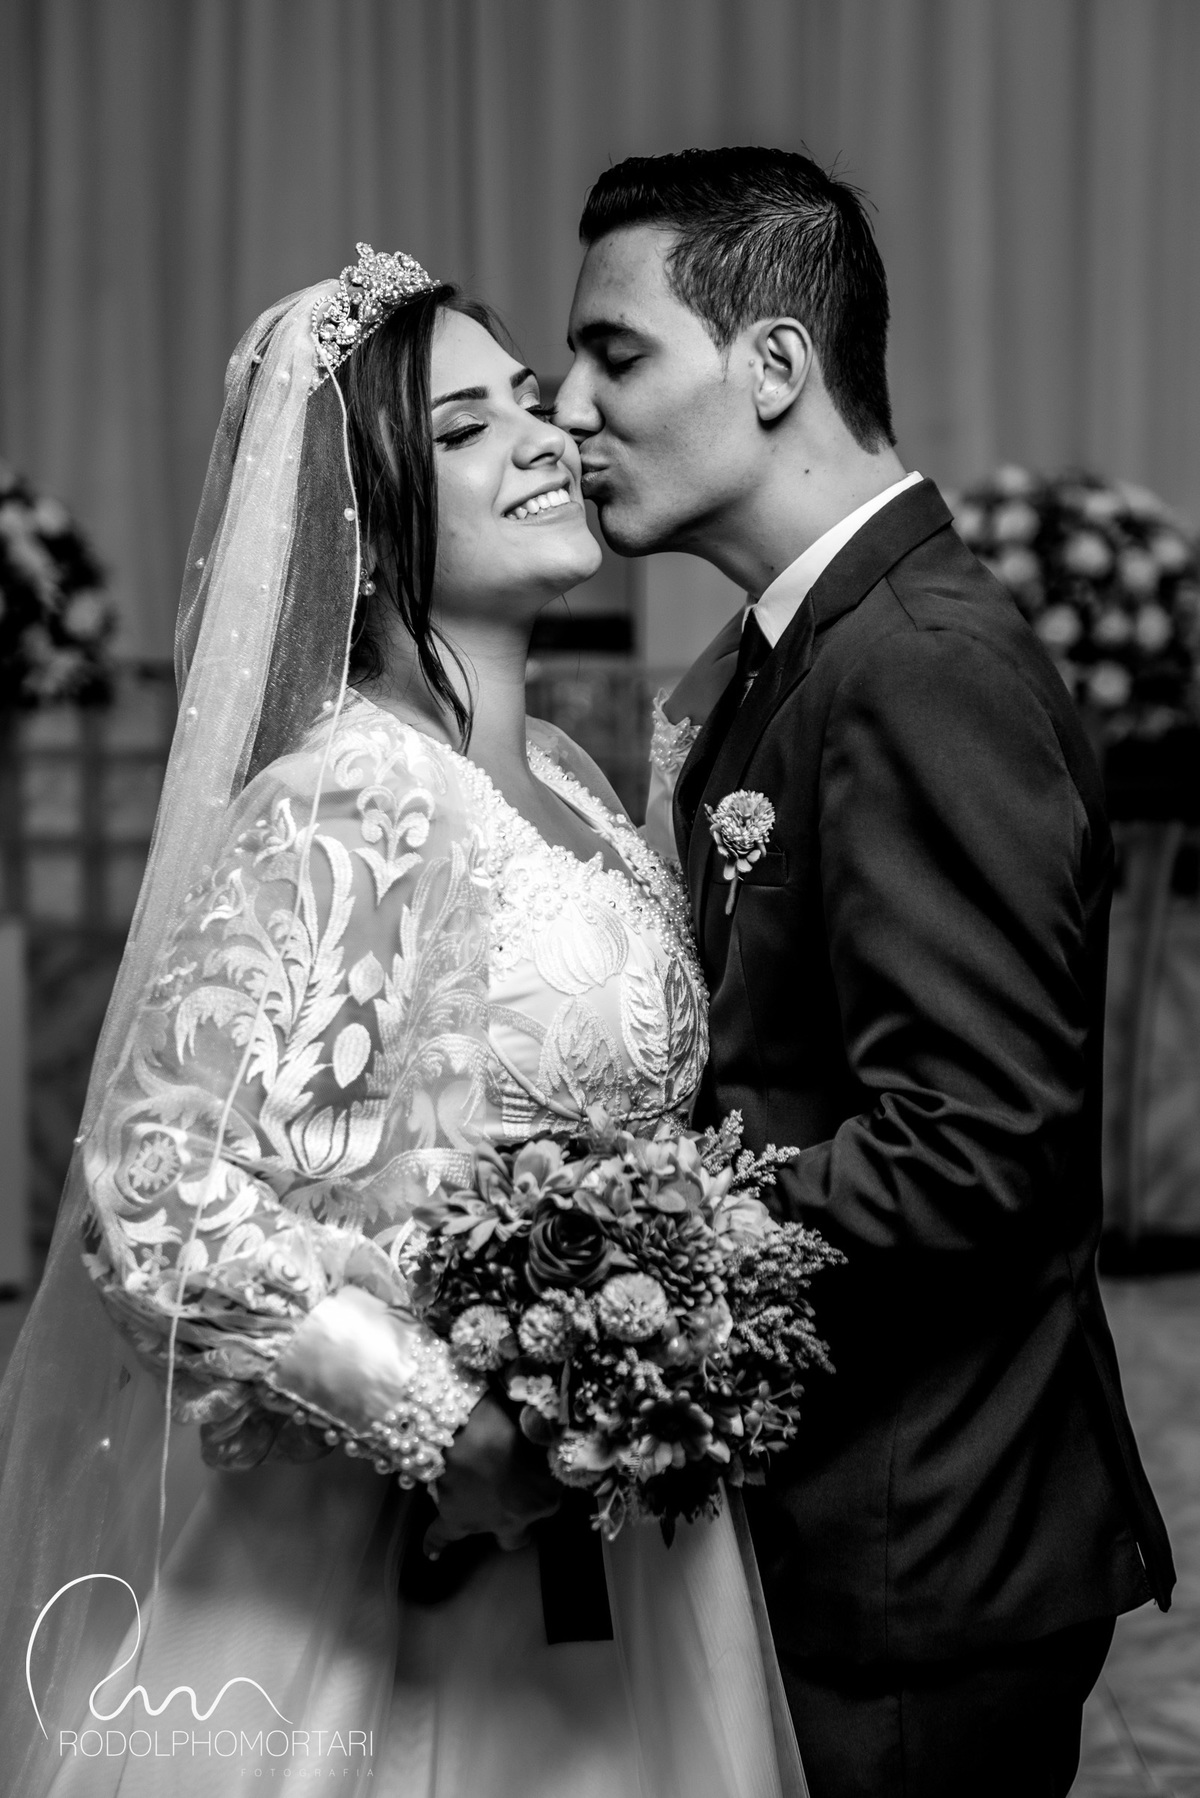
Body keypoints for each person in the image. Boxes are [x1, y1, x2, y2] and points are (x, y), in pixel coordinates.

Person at [0, 249, 808, 1796]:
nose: (545, 437)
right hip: (411, 1560)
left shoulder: (569, 774)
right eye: (464, 429)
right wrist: (440, 1415)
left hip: (630, 1524)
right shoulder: (353, 795)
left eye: (530, 401)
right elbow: (156, 1188)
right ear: (361, 520)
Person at [555, 146, 1176, 1798]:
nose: (570, 406)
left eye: (616, 353)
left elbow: (970, 1147)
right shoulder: (803, 655)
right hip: (834, 1515)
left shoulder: (921, 664)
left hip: (919, 1548)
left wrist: (618, 1252)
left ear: (774, 364)